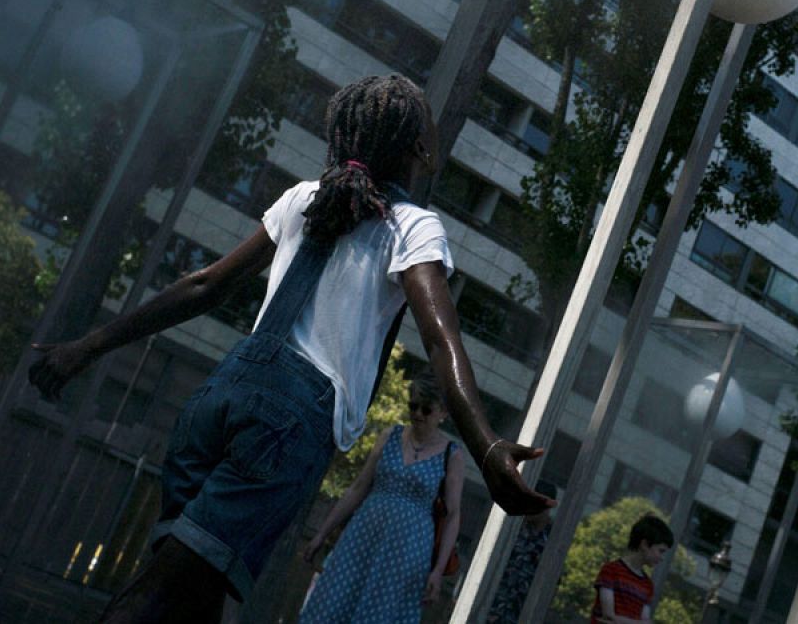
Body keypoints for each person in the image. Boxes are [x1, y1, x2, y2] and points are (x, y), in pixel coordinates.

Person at [28, 74, 552, 624]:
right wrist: (486, 444)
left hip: (219, 397)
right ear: (421, 147)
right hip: (287, 426)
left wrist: (89, 345)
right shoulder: (412, 227)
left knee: (190, 601)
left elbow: (204, 285)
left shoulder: (303, 198)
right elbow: (440, 338)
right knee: (155, 599)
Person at [300, 374, 460, 621]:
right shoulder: (390, 435)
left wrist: (438, 570)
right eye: (413, 406)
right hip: (363, 535)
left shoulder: (452, 454)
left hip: (409, 550)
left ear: (443, 413)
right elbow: (359, 488)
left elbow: (452, 516)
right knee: (332, 601)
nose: (418, 414)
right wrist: (322, 533)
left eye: (426, 409)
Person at [487, 479, 558, 622]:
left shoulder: (553, 540)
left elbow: (552, 582)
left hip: (520, 611)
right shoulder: (514, 526)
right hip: (493, 603)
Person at [590, 514, 673, 624]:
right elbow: (608, 616)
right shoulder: (611, 570)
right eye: (660, 551)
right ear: (644, 544)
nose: (662, 558)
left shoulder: (648, 585)